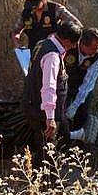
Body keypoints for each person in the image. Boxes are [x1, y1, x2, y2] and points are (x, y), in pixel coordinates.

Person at [20, 21, 83, 169]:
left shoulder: (42, 44)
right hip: (43, 113)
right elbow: (49, 87)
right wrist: (50, 118)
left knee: (45, 147)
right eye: (74, 43)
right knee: (48, 153)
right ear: (66, 40)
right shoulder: (52, 56)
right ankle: (44, 180)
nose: (74, 46)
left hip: (33, 106)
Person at [64, 27, 98, 143]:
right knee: (60, 112)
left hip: (83, 86)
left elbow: (88, 83)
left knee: (82, 114)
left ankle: (74, 144)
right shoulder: (70, 45)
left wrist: (74, 106)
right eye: (94, 48)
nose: (97, 50)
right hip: (64, 82)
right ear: (82, 44)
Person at [11, 0, 81, 50]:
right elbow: (15, 32)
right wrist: (17, 43)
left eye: (35, 5)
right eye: (30, 4)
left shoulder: (56, 9)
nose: (32, 8)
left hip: (54, 51)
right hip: (34, 51)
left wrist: (57, 35)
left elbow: (77, 25)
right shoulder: (26, 12)